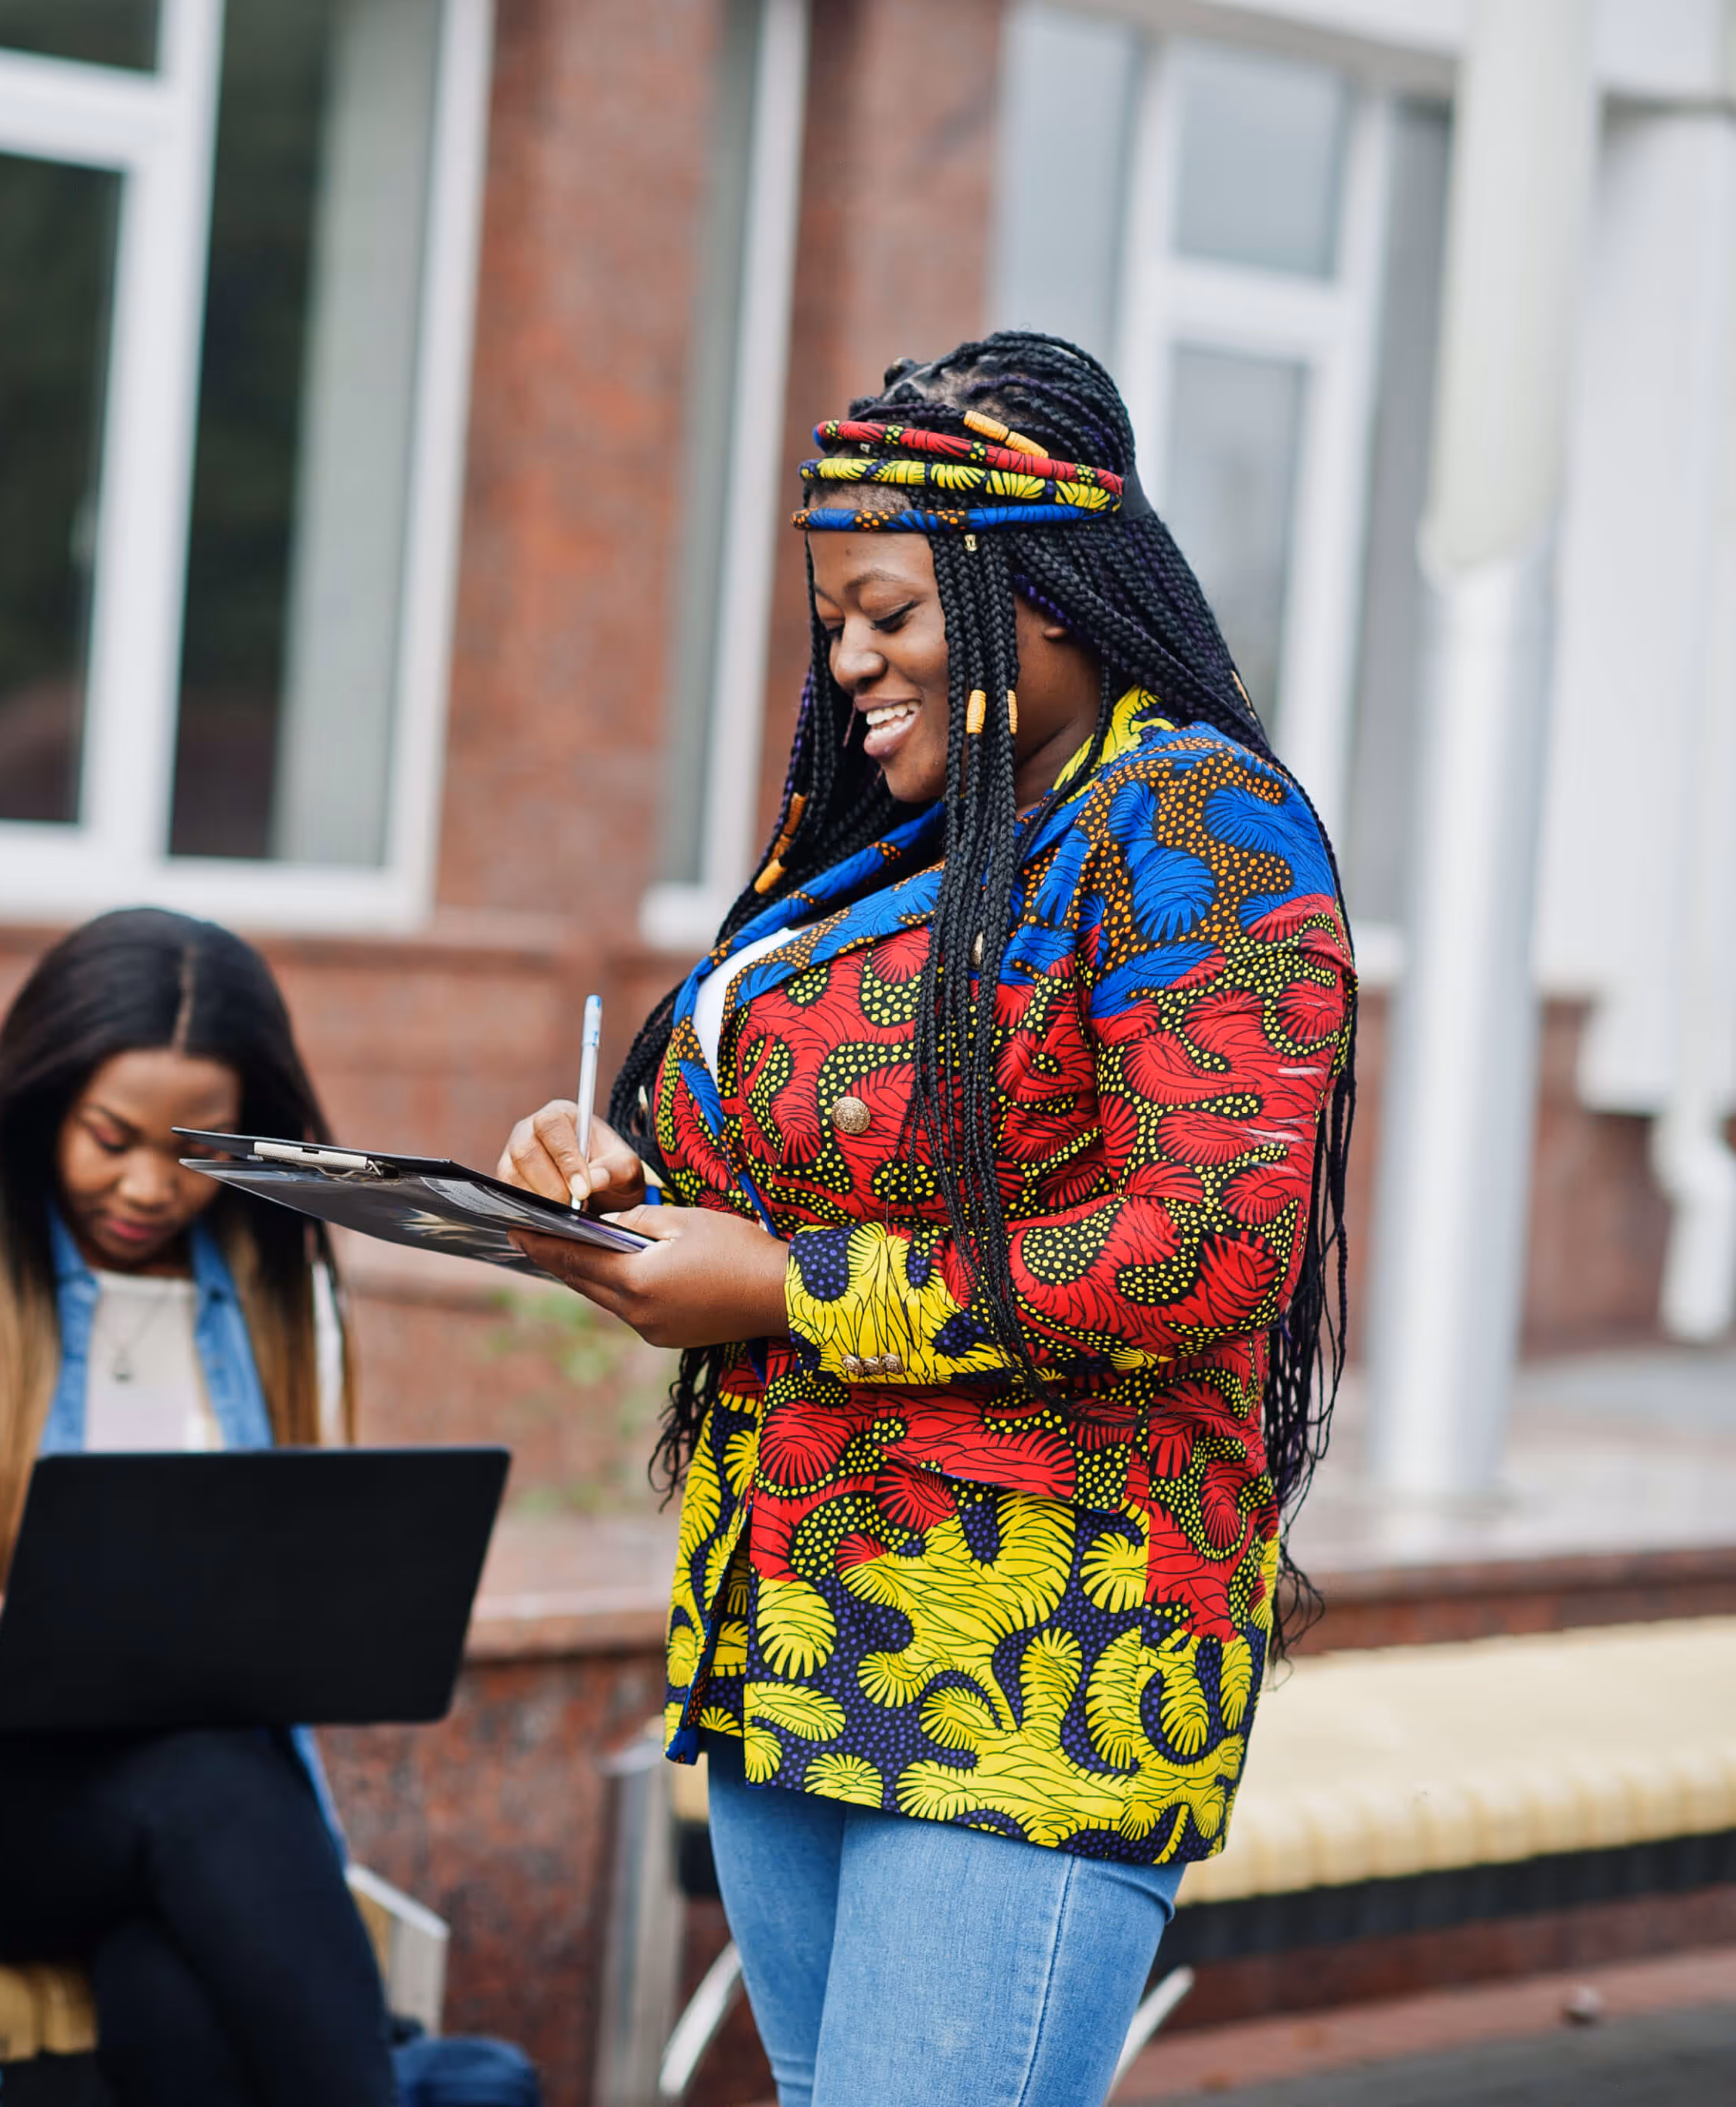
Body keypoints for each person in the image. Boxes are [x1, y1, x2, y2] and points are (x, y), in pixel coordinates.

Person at [492, 334, 1358, 2107]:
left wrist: (784, 1285)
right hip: (792, 1624)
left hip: (1032, 1659)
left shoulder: (1194, 818)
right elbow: (851, 1179)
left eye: (885, 609)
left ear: (1031, 585)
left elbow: (1204, 1243)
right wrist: (633, 1200)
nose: (846, 661)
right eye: (830, 622)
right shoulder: (900, 851)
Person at [0, 907, 399, 2107]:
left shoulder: (284, 1307)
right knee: (203, 1786)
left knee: (173, 1991)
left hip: (189, 1800)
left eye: (192, 1147)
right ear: (44, 1104)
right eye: (110, 1136)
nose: (148, 1186)